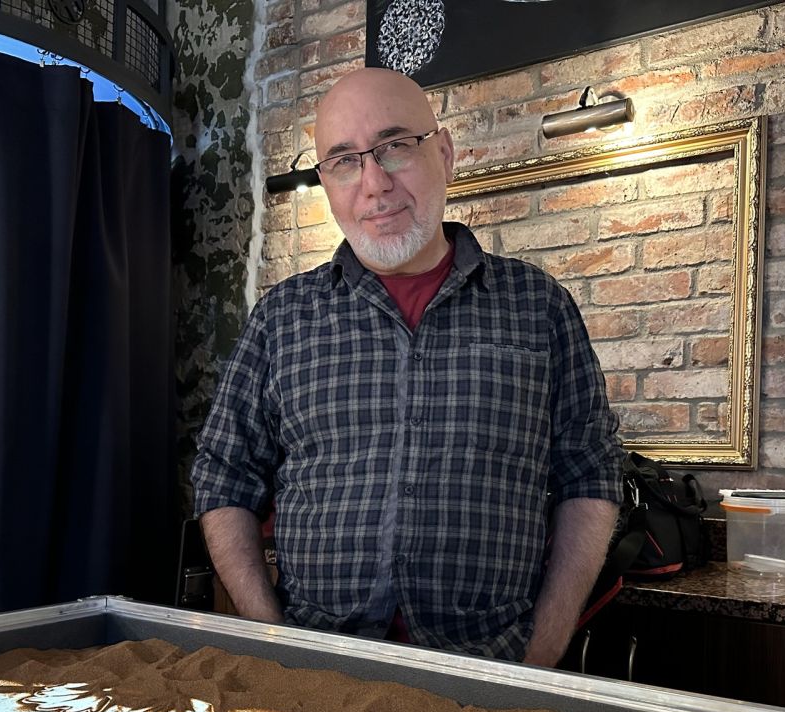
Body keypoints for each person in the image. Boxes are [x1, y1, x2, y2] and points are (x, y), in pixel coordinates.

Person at [191, 67, 622, 667]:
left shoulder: (538, 307)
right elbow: (223, 475)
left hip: (491, 667)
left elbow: (589, 474)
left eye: (394, 146)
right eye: (344, 161)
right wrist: (272, 640)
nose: (374, 184)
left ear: (444, 155)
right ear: (326, 181)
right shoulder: (281, 318)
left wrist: (542, 653)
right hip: (316, 666)